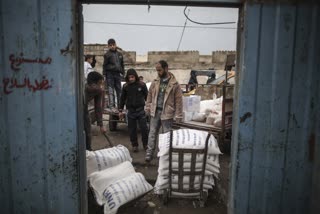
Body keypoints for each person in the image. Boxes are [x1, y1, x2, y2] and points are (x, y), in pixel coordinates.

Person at [145, 60, 183, 162]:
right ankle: (149, 153)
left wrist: (179, 115)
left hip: (167, 113)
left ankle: (164, 154)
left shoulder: (175, 84)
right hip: (155, 112)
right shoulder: (155, 82)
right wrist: (148, 107)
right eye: (157, 70)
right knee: (152, 133)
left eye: (160, 70)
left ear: (166, 68)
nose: (158, 72)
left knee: (166, 135)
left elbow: (179, 101)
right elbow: (149, 96)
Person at [119, 69, 149, 152]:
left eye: (132, 77)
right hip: (130, 111)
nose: (131, 79)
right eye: (129, 77)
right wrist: (120, 110)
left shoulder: (142, 85)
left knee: (144, 129)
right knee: (132, 130)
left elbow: (148, 97)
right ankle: (134, 145)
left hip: (140, 111)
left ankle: (146, 144)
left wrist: (149, 107)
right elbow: (122, 99)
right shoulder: (125, 86)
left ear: (135, 76)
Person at [84, 71, 107, 150]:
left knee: (87, 132)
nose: (100, 85)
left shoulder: (98, 91)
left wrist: (101, 125)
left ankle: (88, 150)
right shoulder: (83, 86)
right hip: (74, 110)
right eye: (100, 83)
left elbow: (98, 108)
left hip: (84, 110)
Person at [103, 38, 125, 113]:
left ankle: (120, 107)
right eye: (111, 45)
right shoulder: (107, 54)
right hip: (110, 74)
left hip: (118, 74)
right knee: (111, 90)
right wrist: (104, 75)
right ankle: (112, 106)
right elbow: (104, 65)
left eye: (113, 45)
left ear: (116, 44)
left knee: (119, 91)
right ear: (108, 46)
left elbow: (122, 65)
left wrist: (123, 72)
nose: (112, 46)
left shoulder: (120, 54)